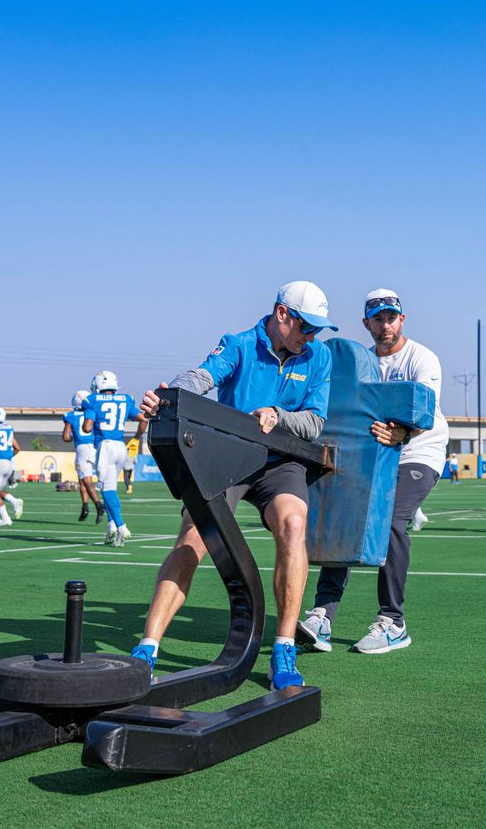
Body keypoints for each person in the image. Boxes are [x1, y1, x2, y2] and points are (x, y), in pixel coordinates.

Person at [130, 280, 337, 690]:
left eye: (317, 329)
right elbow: (201, 377)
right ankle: (147, 649)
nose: (312, 337)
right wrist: (166, 396)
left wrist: (278, 414)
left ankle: (283, 647)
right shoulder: (239, 344)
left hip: (280, 463)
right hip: (227, 458)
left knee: (293, 523)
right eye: (307, 326)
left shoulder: (319, 357)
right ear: (282, 315)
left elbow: (314, 422)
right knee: (192, 538)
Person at [298, 288, 446, 656]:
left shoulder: (422, 358)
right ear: (367, 323)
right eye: (378, 319)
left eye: (391, 317)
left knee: (391, 520)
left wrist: (403, 432)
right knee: (343, 517)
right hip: (372, 455)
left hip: (417, 452)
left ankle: (393, 622)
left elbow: (424, 413)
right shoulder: (359, 362)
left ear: (402, 319)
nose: (385, 325)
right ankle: (322, 616)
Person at [81, 371, 147, 545]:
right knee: (110, 488)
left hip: (105, 447)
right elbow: (143, 420)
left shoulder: (92, 400)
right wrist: (136, 438)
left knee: (107, 488)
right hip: (120, 447)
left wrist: (88, 418)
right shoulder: (126, 399)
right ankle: (111, 525)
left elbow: (87, 428)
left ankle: (121, 526)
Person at [62, 389, 104, 522]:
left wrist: (73, 437)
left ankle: (98, 505)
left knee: (86, 480)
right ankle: (85, 507)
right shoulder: (93, 412)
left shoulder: (70, 415)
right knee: (82, 479)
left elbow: (66, 437)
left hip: (82, 448)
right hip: (96, 447)